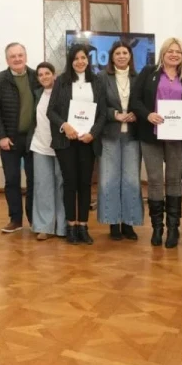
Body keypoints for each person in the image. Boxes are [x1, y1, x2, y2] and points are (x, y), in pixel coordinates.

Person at [131, 38, 182, 248]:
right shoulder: (149, 73)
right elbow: (135, 101)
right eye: (170, 51)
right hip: (152, 134)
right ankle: (157, 229)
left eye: (178, 52)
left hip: (178, 136)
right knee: (154, 180)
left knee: (173, 180)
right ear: (162, 53)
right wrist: (148, 114)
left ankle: (173, 230)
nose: (173, 55)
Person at [47, 43, 106, 245]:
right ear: (70, 61)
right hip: (67, 141)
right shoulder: (61, 81)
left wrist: (93, 133)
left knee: (85, 184)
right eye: (76, 59)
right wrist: (65, 126)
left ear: (88, 60)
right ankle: (70, 226)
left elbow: (103, 113)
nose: (80, 62)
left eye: (83, 58)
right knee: (70, 183)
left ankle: (83, 226)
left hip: (88, 142)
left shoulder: (97, 82)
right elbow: (51, 111)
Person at [0, 43, 40, 233]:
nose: (17, 59)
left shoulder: (37, 77)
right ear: (7, 59)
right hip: (9, 140)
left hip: (33, 140)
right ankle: (15, 219)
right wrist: (1, 136)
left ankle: (35, 220)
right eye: (13, 56)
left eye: (20, 55)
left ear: (26, 56)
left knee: (34, 180)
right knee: (12, 180)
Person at [97, 41, 143, 241]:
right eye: (118, 53)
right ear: (112, 56)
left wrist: (136, 114)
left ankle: (129, 223)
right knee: (109, 180)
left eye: (125, 52)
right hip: (109, 135)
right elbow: (97, 105)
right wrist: (114, 114)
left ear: (130, 56)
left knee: (131, 180)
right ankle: (113, 223)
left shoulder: (139, 78)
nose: (122, 56)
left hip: (133, 135)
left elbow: (144, 103)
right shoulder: (101, 78)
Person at [30, 62, 65, 241]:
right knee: (43, 187)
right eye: (40, 74)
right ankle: (44, 226)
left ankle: (62, 226)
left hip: (60, 146)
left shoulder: (64, 93)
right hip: (40, 146)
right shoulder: (37, 94)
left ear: (54, 75)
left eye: (47, 73)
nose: (44, 77)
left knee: (61, 186)